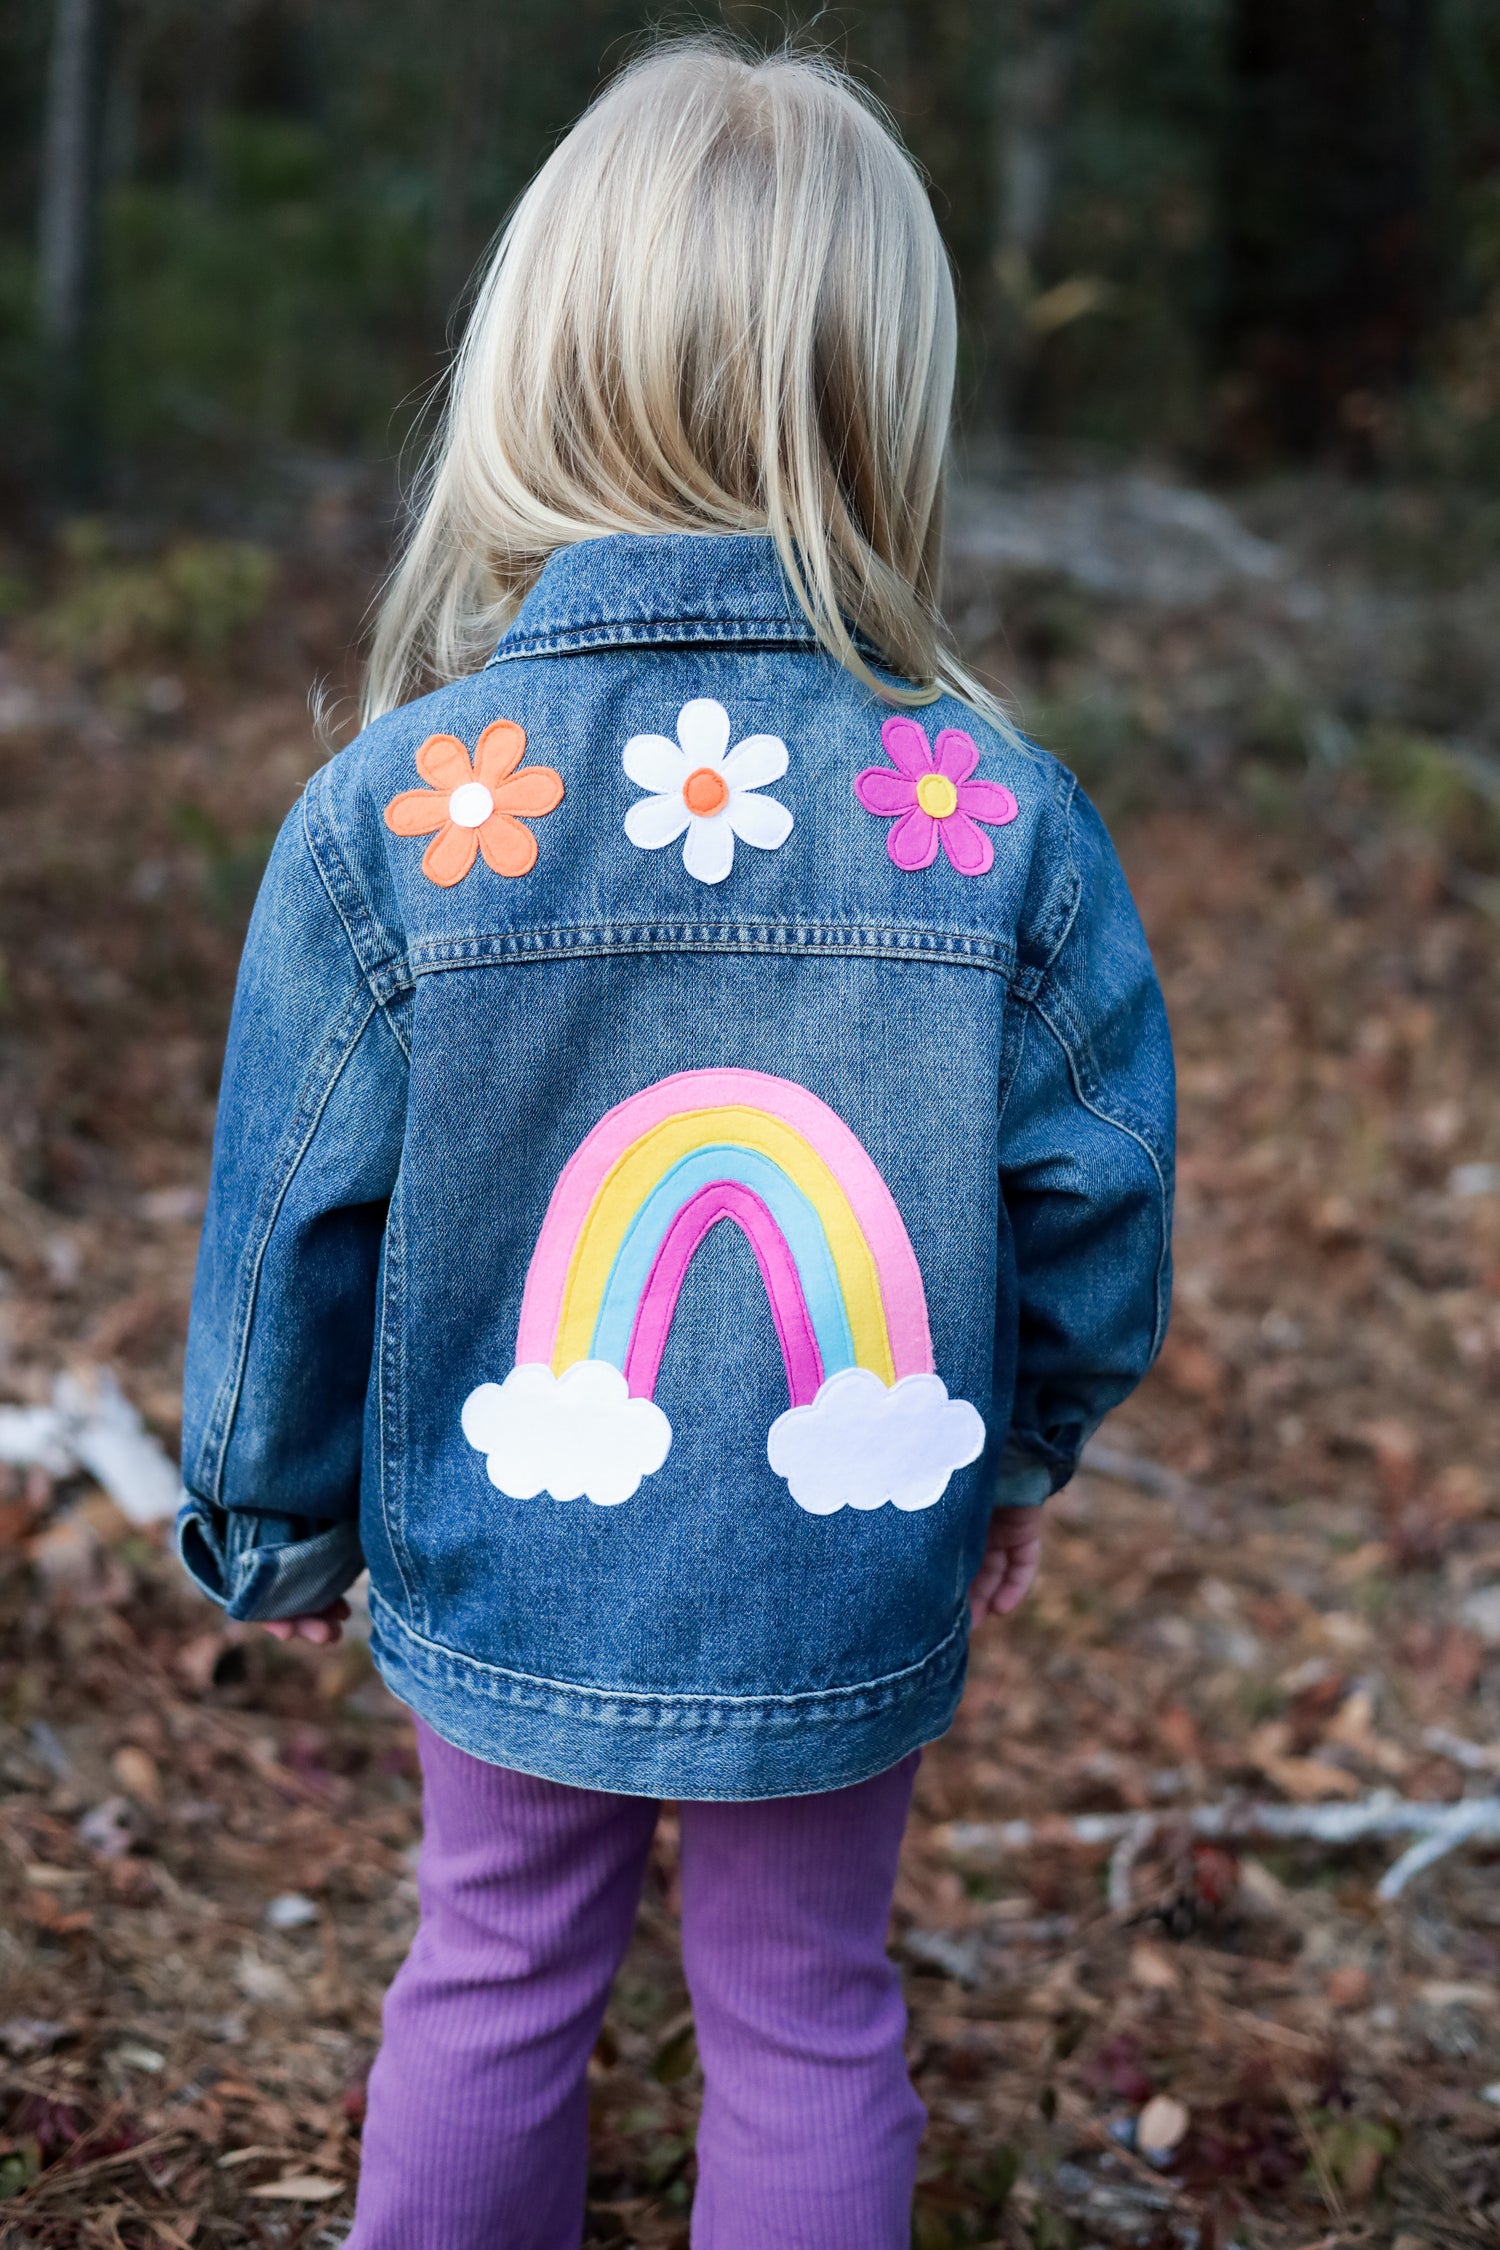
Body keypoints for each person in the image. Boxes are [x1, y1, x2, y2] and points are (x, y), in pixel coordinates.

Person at [175, 38, 1174, 2250]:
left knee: (492, 1975)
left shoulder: (410, 812)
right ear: (885, 405)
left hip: (510, 1532)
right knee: (809, 2009)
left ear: (542, 366)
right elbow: (1097, 1196)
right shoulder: (987, 816)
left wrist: (275, 1520)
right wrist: (1019, 1448)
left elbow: (290, 1218)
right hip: (847, 1541)